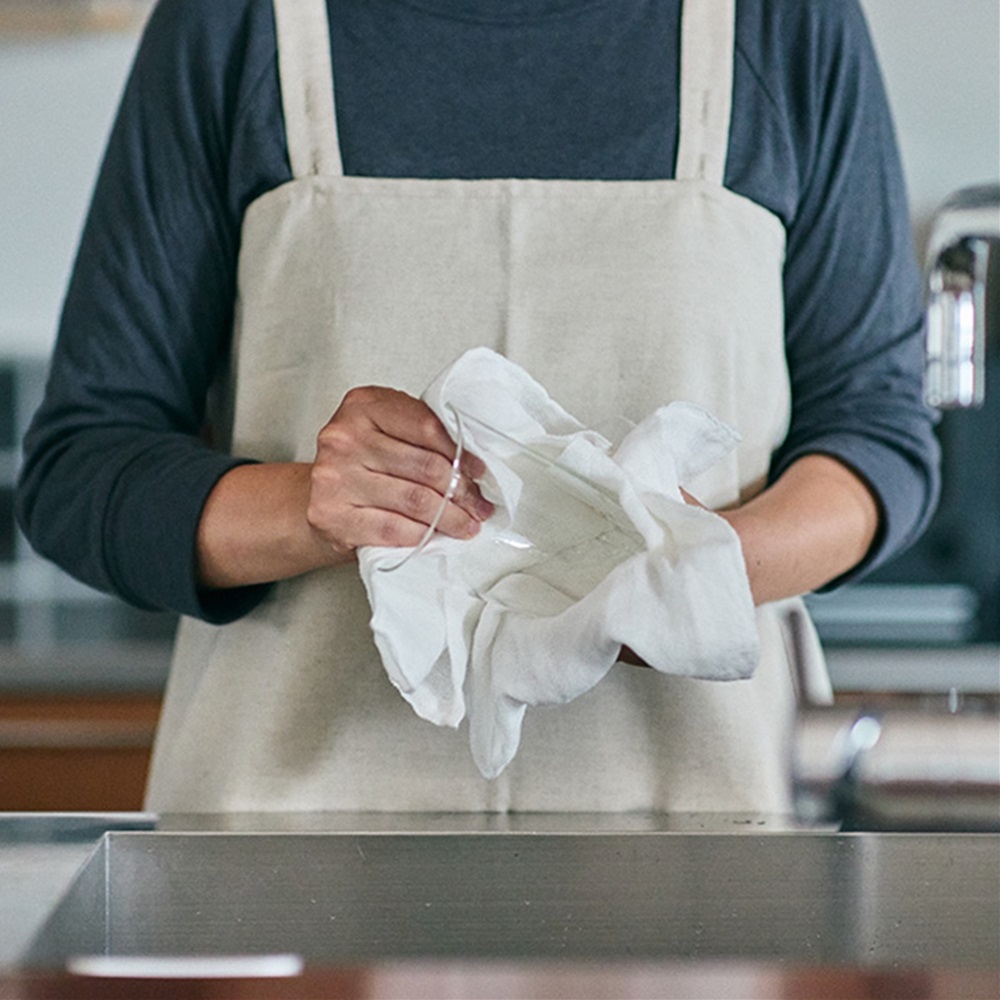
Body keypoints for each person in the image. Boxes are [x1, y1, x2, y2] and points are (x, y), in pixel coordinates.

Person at [16, 0, 939, 813]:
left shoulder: (785, 22)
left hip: (697, 837)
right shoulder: (236, 21)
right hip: (291, 842)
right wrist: (313, 504)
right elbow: (82, 466)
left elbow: (877, 436)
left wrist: (694, 580)